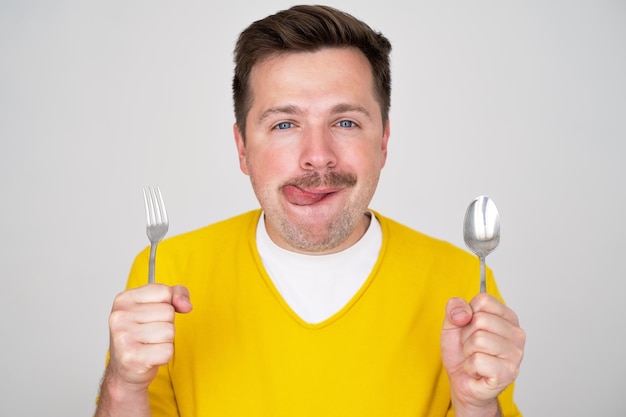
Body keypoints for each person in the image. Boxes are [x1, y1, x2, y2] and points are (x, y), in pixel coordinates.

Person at [94, 5, 525, 417]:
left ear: (383, 142)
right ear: (242, 148)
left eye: (345, 122)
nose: (317, 157)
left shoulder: (462, 282)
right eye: (284, 124)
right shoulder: (167, 270)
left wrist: (478, 405)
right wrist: (124, 384)